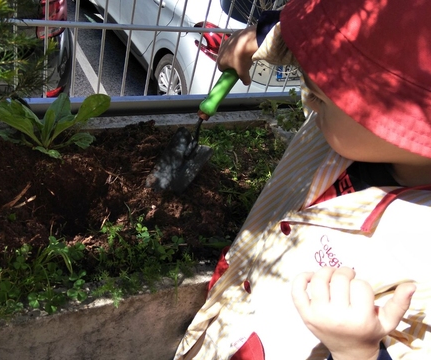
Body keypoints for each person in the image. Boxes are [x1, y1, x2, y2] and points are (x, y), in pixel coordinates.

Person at [174, 0, 431, 359]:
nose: (307, 97)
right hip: (228, 322)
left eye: (320, 97)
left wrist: (356, 351)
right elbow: (325, 27)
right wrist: (262, 36)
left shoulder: (419, 258)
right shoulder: (349, 134)